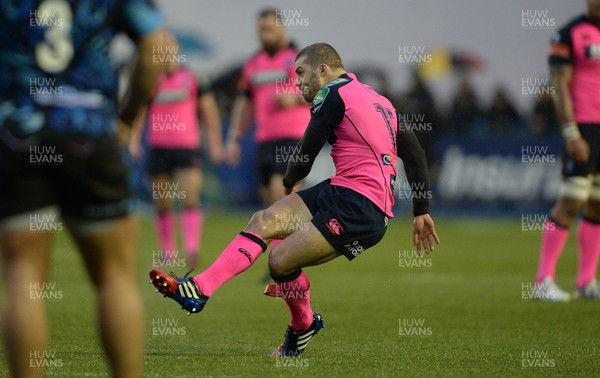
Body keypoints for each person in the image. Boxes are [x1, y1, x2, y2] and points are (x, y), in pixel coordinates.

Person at [150, 43, 440, 357]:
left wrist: (289, 181)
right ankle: (199, 289)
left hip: (360, 207)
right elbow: (414, 153)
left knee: (280, 261)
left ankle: (303, 323)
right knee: (263, 220)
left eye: (301, 73)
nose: (297, 82)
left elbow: (307, 148)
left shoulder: (332, 93)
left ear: (324, 70)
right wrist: (421, 210)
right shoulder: (379, 100)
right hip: (342, 190)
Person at [0, 1, 165, 377]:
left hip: (18, 132)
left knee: (23, 277)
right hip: (88, 130)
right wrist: (126, 116)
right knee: (115, 276)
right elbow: (157, 46)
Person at [129, 33, 223, 268]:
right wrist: (133, 140)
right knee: (162, 202)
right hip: (158, 147)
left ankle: (191, 250)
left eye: (169, 47)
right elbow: (139, 112)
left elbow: (209, 112)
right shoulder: (151, 80)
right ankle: (168, 251)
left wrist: (214, 142)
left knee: (190, 197)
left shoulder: (192, 78)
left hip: (186, 147)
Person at [532, 0, 600, 301]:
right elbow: (559, 84)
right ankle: (543, 280)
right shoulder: (568, 34)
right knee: (571, 201)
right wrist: (571, 132)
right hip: (583, 128)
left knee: (598, 204)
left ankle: (586, 282)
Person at [225, 7, 309, 214]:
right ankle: (291, 241)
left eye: (270, 29)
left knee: (280, 190)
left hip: (294, 136)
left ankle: (285, 245)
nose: (265, 34)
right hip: (264, 138)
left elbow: (321, 92)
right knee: (268, 200)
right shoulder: (254, 64)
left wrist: (295, 98)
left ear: (282, 27)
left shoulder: (300, 58)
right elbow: (244, 104)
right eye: (262, 29)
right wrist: (235, 137)